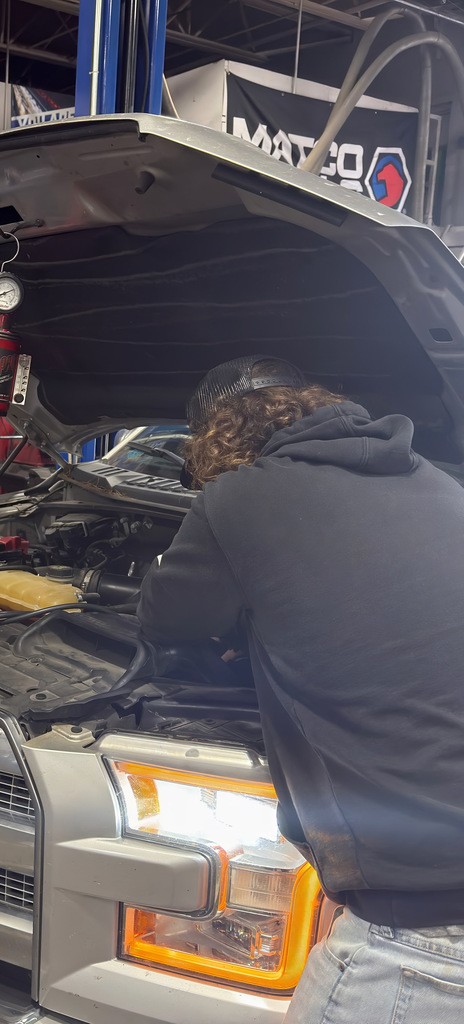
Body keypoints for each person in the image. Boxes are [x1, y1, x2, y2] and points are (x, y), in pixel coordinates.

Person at [137, 355, 464, 1023]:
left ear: (217, 436)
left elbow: (167, 618)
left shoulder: (240, 498)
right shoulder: (439, 483)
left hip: (420, 933)